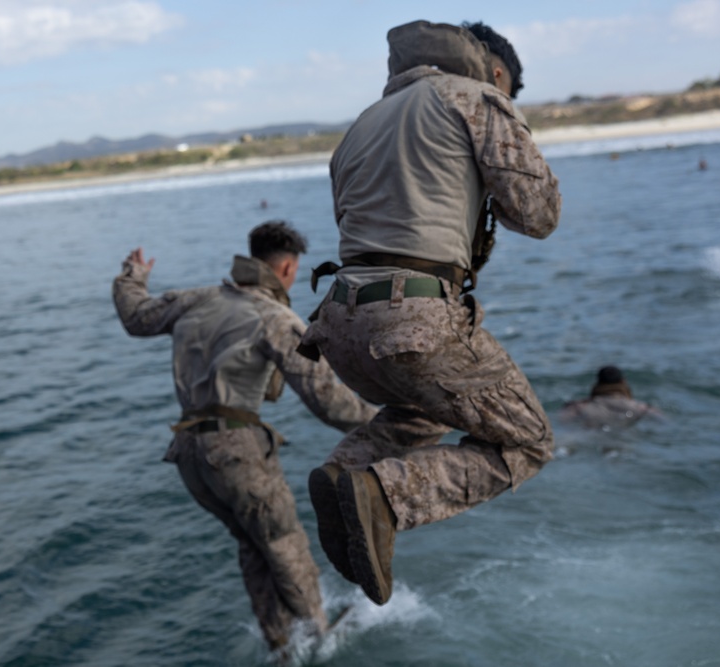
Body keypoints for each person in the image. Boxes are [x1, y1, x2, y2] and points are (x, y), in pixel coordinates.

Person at [299, 20, 562, 606]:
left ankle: (347, 469)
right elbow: (538, 214)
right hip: (413, 316)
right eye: (508, 90)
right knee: (528, 443)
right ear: (497, 73)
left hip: (339, 321)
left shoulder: (360, 125)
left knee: (422, 410)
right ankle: (383, 494)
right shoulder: (476, 97)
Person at [112, 221, 376, 654]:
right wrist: (386, 422)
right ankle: (317, 636)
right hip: (236, 451)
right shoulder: (273, 317)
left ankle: (280, 642)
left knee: (254, 544)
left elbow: (136, 316)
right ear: (287, 267)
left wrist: (132, 274)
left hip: (189, 456)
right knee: (283, 541)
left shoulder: (196, 300)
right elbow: (327, 400)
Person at [560, 366, 662, 429]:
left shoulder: (578, 407)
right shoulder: (642, 408)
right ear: (623, 382)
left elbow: (561, 422)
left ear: (598, 383)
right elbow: (663, 423)